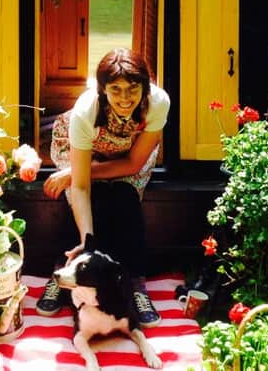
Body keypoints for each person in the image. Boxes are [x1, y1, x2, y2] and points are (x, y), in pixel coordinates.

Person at [37, 48, 170, 328]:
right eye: (115, 89)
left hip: (127, 155)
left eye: (133, 89)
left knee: (124, 197)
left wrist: (73, 173)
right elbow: (83, 186)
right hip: (81, 150)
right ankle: (62, 272)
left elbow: (133, 164)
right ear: (102, 89)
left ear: (146, 87)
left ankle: (135, 282)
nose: (125, 98)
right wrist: (88, 241)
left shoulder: (158, 103)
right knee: (84, 198)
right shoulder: (86, 111)